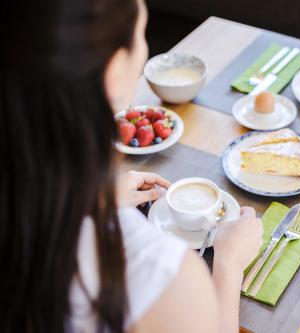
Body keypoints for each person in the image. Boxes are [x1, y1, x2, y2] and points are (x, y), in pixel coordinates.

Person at [0, 0, 263, 332]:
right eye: (141, 32)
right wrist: (228, 265)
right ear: (113, 69)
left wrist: (92, 200)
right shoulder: (161, 276)